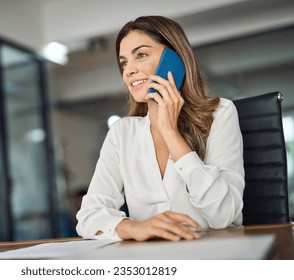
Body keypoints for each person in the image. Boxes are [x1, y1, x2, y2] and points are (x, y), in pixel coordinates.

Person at [76, 16, 244, 241]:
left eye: (141, 55)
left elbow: (223, 215)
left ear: (174, 59)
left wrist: (169, 131)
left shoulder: (220, 113)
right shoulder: (122, 133)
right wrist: (134, 228)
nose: (128, 71)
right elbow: (88, 216)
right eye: (124, 62)